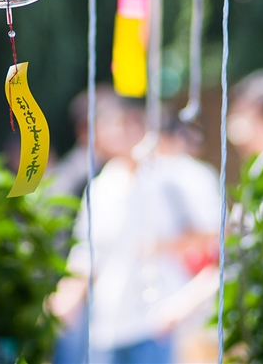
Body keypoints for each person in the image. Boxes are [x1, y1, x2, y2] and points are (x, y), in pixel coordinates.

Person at [52, 102, 221, 364]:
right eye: (115, 124)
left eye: (131, 123)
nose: (121, 132)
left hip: (161, 324)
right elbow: (87, 253)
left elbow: (216, 237)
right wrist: (66, 297)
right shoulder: (101, 187)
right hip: (107, 327)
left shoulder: (180, 176)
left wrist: (181, 297)